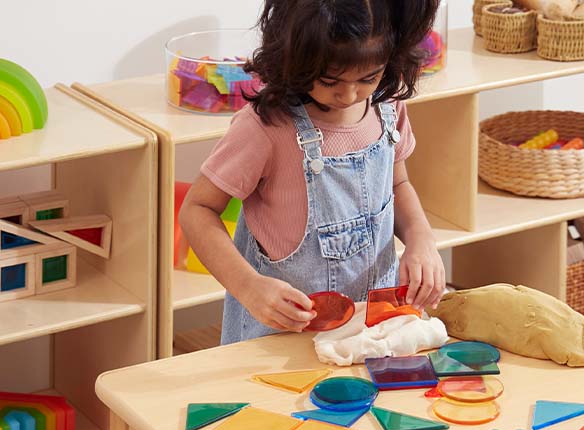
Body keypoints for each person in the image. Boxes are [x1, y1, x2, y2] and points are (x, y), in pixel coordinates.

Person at [179, 0, 446, 345]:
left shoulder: (387, 107)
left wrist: (421, 240)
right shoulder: (267, 128)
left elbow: (398, 182)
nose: (349, 94)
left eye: (369, 77)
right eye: (330, 79)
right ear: (297, 58)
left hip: (371, 328)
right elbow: (197, 210)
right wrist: (249, 287)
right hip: (283, 335)